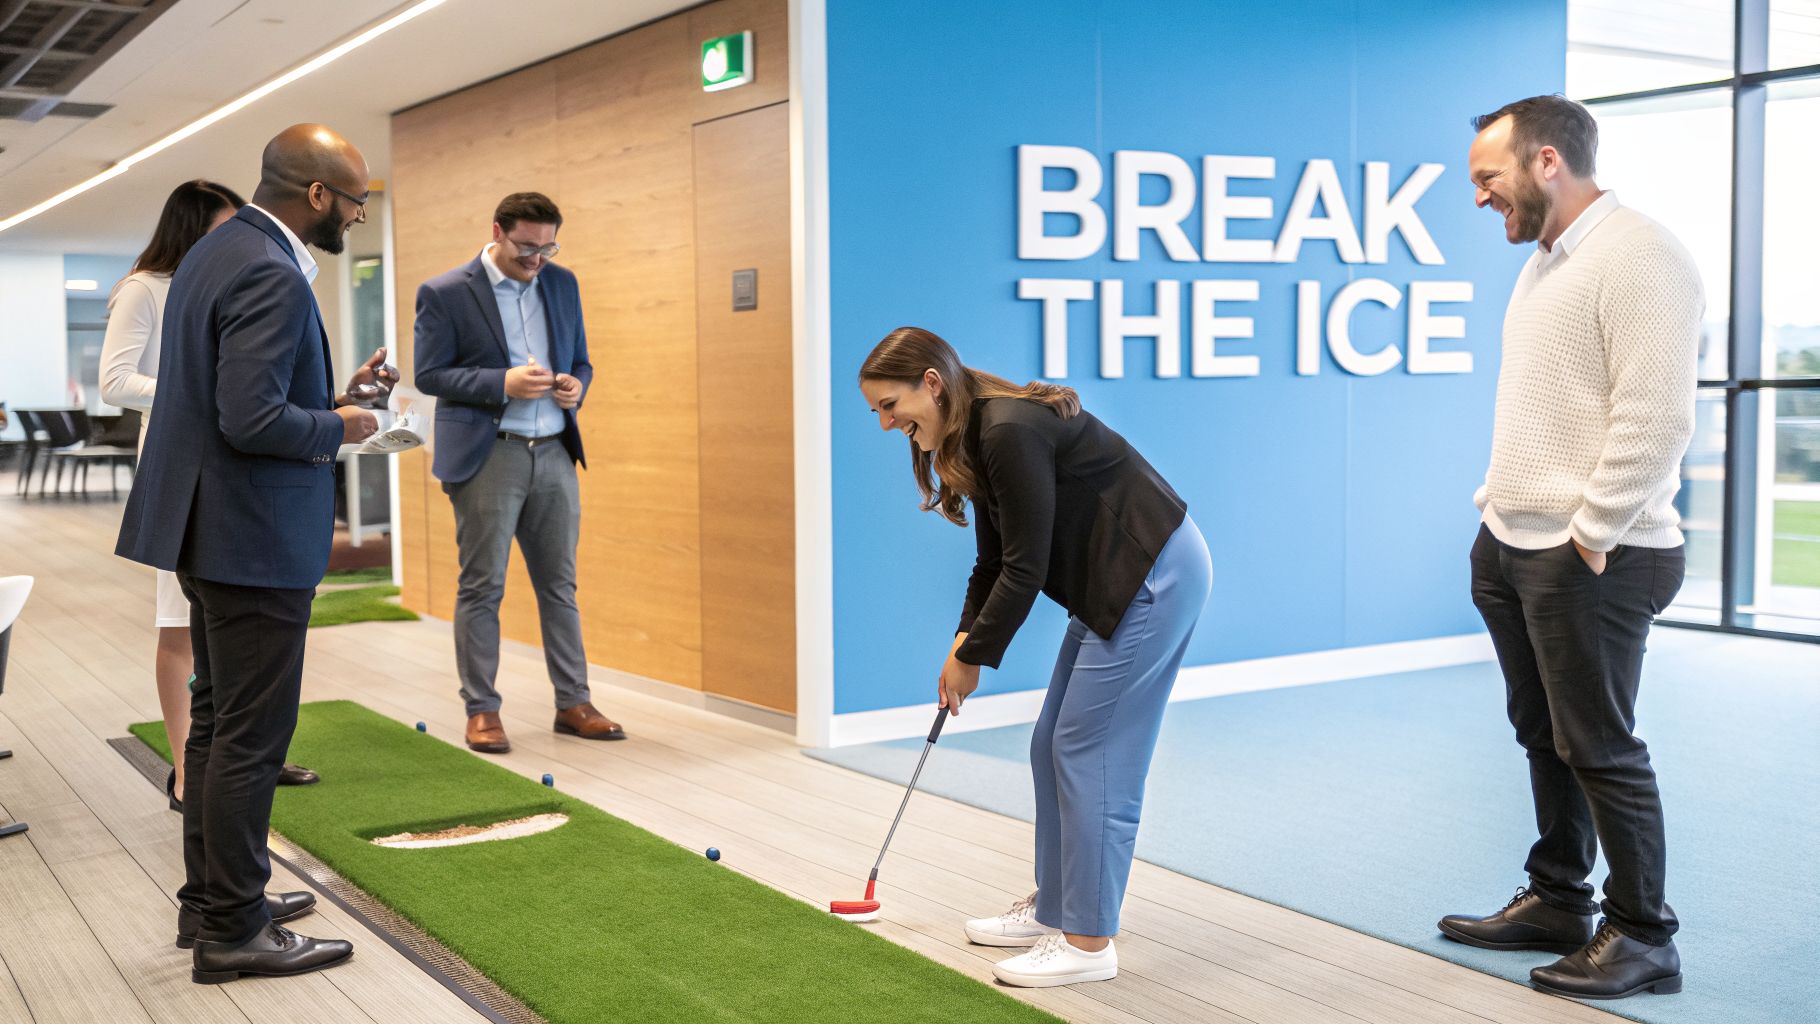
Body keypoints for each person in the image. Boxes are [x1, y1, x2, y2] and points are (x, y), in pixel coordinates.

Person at [116, 124, 395, 984]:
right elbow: (254, 421)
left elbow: (234, 393)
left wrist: (337, 394)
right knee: (250, 737)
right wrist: (348, 424)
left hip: (208, 529)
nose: (355, 214)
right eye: (353, 201)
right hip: (252, 536)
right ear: (317, 196)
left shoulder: (216, 250)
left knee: (216, 725)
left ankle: (215, 901)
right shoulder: (270, 269)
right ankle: (234, 931)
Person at [1439, 94, 1701, 1000]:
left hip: (1600, 551)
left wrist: (1590, 531)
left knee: (1599, 744)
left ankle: (1643, 937)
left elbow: (1658, 415)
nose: (1480, 198)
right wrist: (1500, 516)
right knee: (1544, 734)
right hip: (1515, 538)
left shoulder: (1642, 256)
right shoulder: (1547, 262)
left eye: (1488, 178)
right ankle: (1560, 898)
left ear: (1547, 162)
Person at [857, 327, 1211, 988]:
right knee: (1051, 742)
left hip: (1153, 574)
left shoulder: (1008, 429)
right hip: (1110, 581)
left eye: (889, 405)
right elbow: (992, 563)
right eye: (875, 410)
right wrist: (961, 645)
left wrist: (975, 658)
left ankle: (1088, 941)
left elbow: (1027, 567)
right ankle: (1057, 910)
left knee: (1091, 752)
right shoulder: (973, 436)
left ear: (931, 384)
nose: (884, 423)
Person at [99, 179, 321, 814]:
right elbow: (115, 381)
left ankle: (239, 761)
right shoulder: (146, 288)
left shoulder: (233, 279)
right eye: (224, 228)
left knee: (232, 630)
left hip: (230, 462)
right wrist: (198, 386)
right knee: (180, 621)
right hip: (182, 462)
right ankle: (189, 770)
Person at [414, 191, 622, 754]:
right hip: (489, 454)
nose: (538, 258)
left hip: (554, 450)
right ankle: (482, 711)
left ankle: (573, 702)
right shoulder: (445, 292)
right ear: (498, 232)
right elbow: (430, 375)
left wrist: (578, 385)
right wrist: (499, 382)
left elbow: (581, 358)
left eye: (548, 245)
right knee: (483, 586)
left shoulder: (562, 282)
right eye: (527, 246)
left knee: (560, 585)